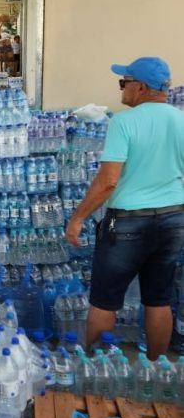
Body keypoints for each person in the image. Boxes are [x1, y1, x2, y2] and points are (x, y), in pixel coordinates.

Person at [65, 57, 184, 360]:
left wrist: (78, 218)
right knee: (159, 299)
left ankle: (94, 363)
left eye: (124, 82)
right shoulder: (180, 119)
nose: (120, 89)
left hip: (129, 223)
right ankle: (156, 367)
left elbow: (107, 182)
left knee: (105, 300)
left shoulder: (123, 122)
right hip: (172, 218)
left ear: (141, 88)